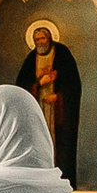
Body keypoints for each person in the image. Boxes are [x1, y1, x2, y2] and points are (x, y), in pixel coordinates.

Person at [15, 14, 85, 178]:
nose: (40, 42)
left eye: (43, 38)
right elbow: (21, 88)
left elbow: (73, 85)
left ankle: (60, 178)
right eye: (37, 39)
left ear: (50, 38)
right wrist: (39, 84)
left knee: (59, 147)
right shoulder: (31, 59)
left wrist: (58, 97)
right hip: (38, 111)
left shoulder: (62, 54)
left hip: (58, 115)